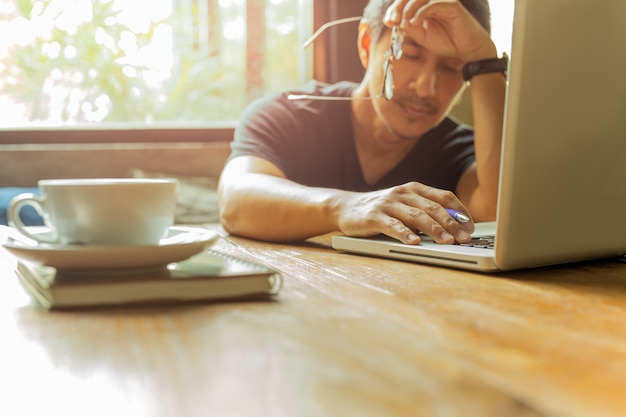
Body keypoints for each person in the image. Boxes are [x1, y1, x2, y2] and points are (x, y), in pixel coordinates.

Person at [218, 0, 506, 245]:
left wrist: (485, 60)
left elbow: (497, 213)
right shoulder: (288, 115)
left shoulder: (462, 150)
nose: (425, 87)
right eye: (410, 54)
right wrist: (345, 206)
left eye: (451, 67)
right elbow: (235, 200)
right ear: (367, 44)